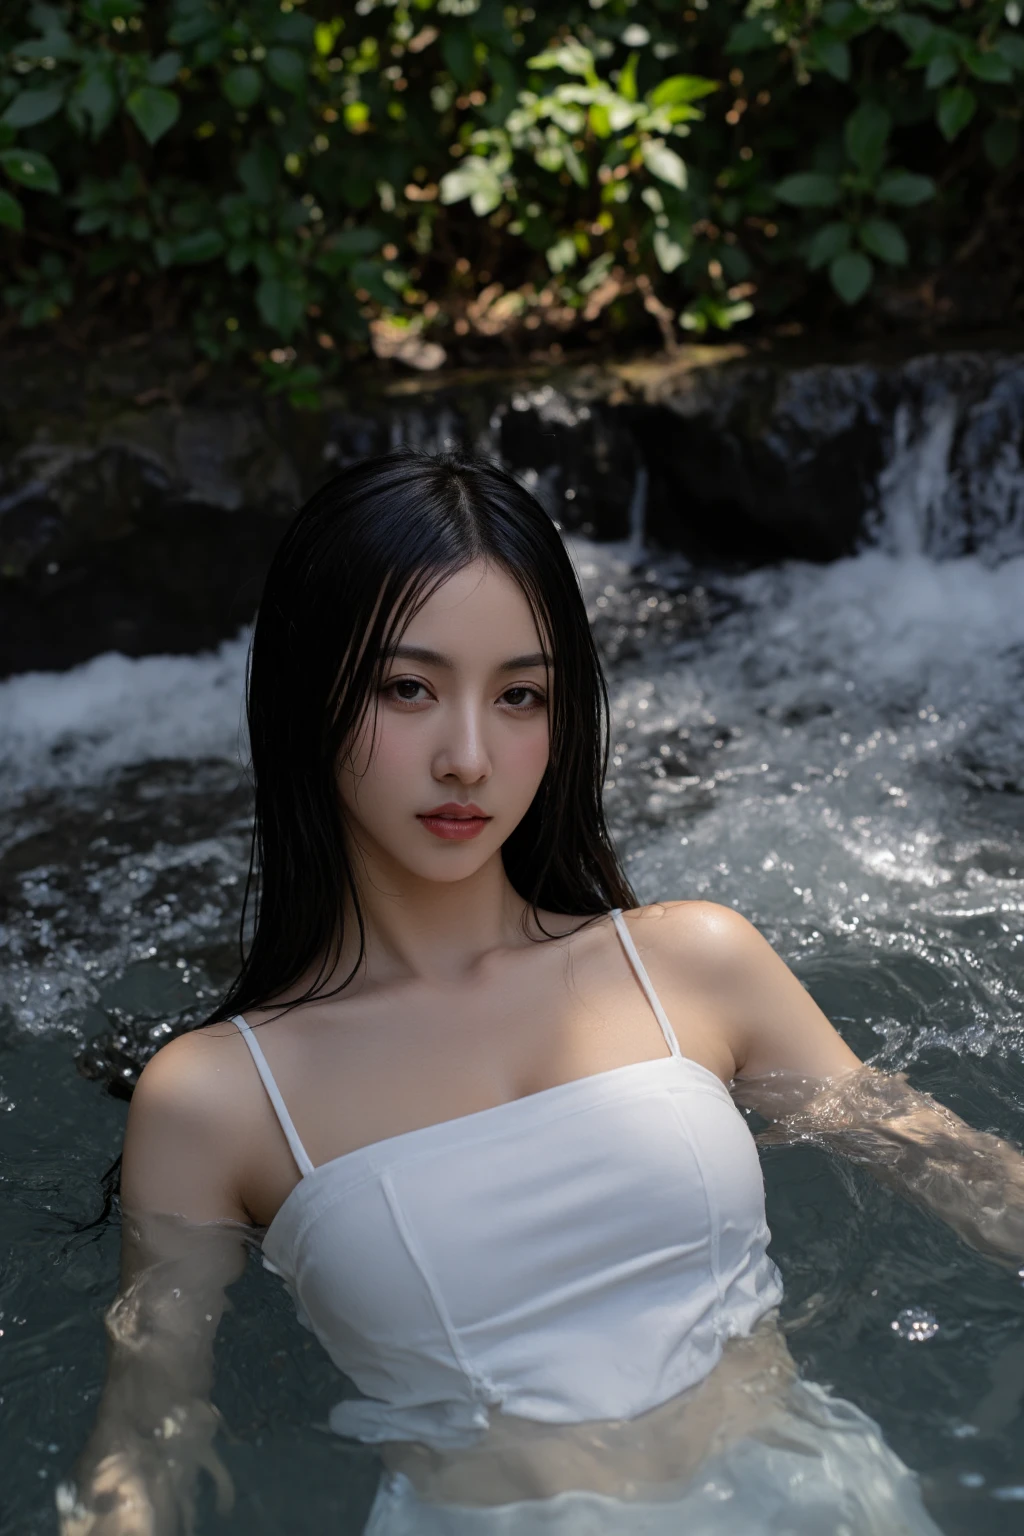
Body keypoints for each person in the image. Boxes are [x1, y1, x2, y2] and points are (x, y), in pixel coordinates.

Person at [59, 449, 1024, 1536]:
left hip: (812, 1506)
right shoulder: (217, 1097)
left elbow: (962, 1174)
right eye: (406, 688)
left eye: (519, 695)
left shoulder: (692, 964)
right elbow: (147, 1431)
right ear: (304, 693)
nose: (467, 756)